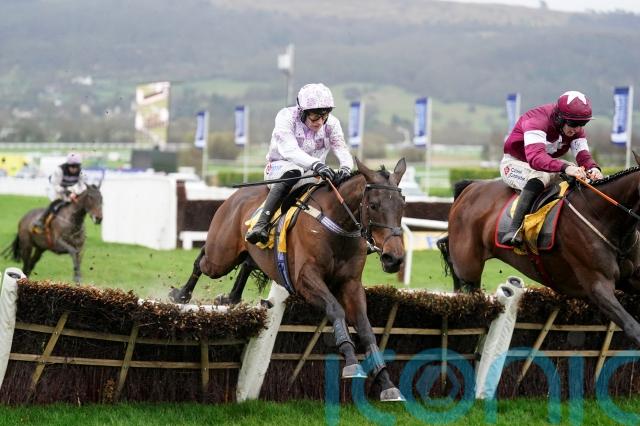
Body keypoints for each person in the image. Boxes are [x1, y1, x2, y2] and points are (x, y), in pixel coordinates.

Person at [245, 83, 354, 245]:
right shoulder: (286, 117)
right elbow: (290, 150)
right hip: (280, 168)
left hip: (312, 173)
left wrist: (345, 167)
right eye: (315, 116)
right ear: (302, 112)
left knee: (340, 181)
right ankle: (261, 224)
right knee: (294, 170)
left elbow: (341, 148)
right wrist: (317, 164)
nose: (320, 122)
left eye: (324, 116)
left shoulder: (332, 123)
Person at [500, 90, 604, 247]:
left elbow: (583, 156)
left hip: (544, 164)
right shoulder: (536, 120)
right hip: (515, 162)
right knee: (541, 175)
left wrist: (593, 169)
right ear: (560, 118)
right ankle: (514, 229)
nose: (577, 129)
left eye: (583, 124)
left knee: (580, 175)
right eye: (573, 124)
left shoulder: (576, 130)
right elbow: (535, 159)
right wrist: (565, 167)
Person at [32, 152, 87, 232]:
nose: (74, 169)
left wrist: (76, 192)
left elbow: (82, 186)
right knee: (57, 203)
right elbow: (55, 185)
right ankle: (41, 220)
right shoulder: (60, 170)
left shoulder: (80, 172)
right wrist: (66, 192)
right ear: (68, 165)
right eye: (72, 166)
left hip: (68, 189)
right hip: (54, 188)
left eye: (77, 166)